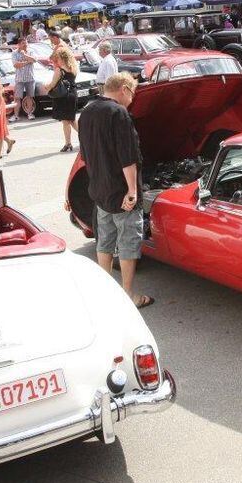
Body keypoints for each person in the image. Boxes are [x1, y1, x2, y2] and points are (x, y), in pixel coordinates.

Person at [70, 71, 153, 309]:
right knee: (128, 242)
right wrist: (132, 191)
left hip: (99, 190)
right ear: (124, 89)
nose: (132, 100)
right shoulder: (119, 114)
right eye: (132, 94)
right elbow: (128, 157)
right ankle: (128, 296)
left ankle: (104, 292)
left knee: (104, 240)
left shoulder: (86, 113)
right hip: (121, 192)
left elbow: (85, 155)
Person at [48, 44, 79, 152]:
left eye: (58, 57)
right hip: (73, 94)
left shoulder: (59, 70)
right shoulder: (73, 68)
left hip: (64, 96)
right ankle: (80, 138)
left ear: (61, 58)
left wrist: (45, 87)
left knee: (67, 121)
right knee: (71, 120)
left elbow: (52, 84)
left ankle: (68, 143)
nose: (57, 60)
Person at [10, 36, 37, 121]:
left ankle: (30, 113)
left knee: (30, 97)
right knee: (17, 98)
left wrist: (24, 55)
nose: (25, 44)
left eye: (26, 42)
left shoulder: (30, 51)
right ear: (19, 45)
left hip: (30, 77)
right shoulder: (14, 53)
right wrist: (27, 61)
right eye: (23, 43)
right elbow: (16, 65)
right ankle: (16, 115)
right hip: (19, 79)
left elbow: (34, 60)